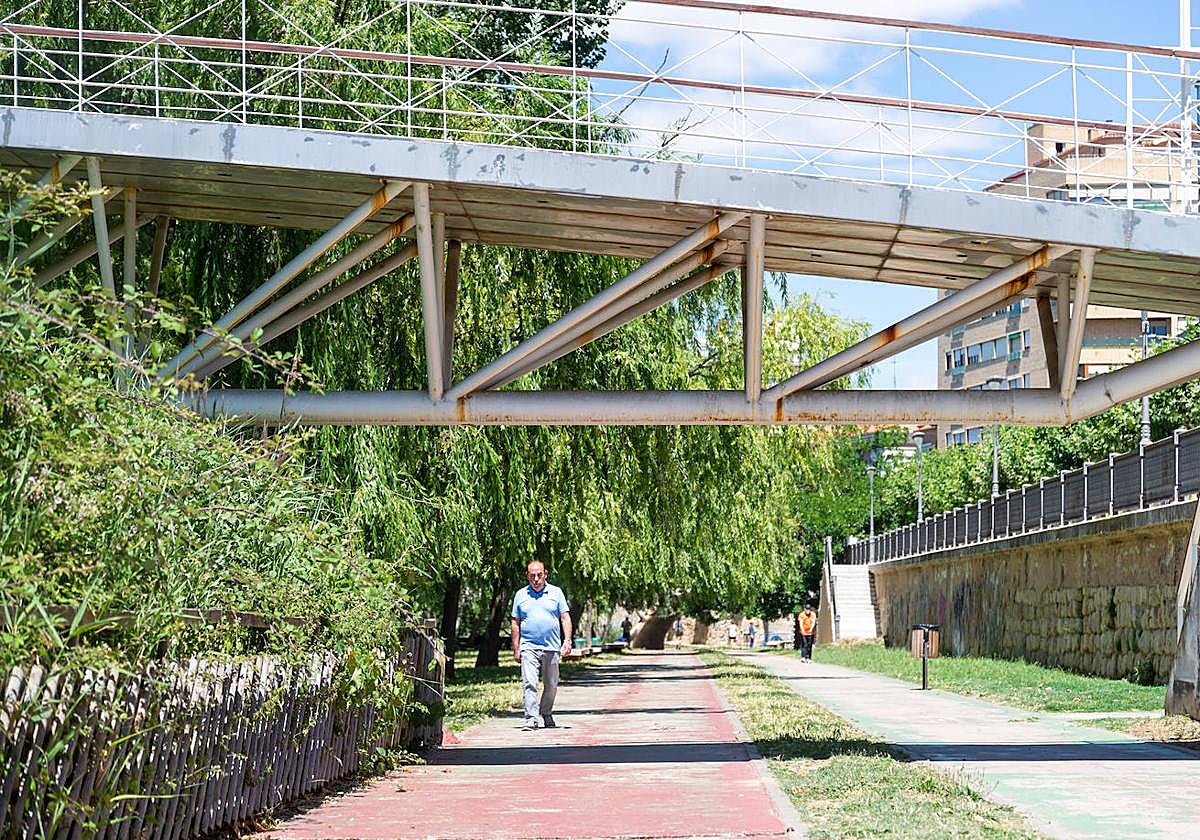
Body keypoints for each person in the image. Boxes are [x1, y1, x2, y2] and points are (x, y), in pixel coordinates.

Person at [511, 561, 572, 731]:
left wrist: (567, 640)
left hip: (552, 647)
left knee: (551, 684)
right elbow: (515, 623)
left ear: (545, 574)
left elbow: (565, 618)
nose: (536, 579)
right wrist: (516, 648)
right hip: (528, 647)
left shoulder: (556, 592)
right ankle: (531, 719)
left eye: (539, 575)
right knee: (529, 683)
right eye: (532, 576)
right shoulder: (520, 595)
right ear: (527, 576)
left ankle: (546, 712)